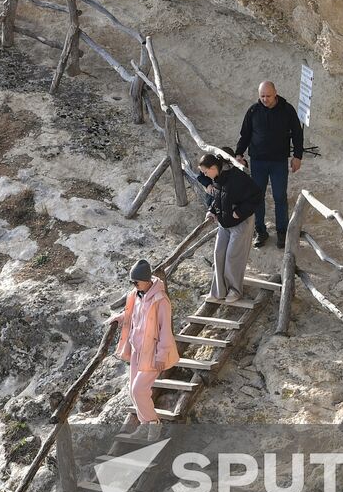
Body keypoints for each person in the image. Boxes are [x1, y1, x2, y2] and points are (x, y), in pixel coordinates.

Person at [105, 258, 179, 440]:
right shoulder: (135, 295)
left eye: (136, 281)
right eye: (132, 282)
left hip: (153, 353)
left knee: (139, 389)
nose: (134, 284)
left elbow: (165, 330)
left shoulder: (161, 300)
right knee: (133, 390)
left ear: (146, 280)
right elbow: (132, 314)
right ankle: (145, 424)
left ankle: (153, 424)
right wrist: (120, 317)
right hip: (137, 350)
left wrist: (162, 355)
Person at [234, 80, 304, 249]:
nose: (265, 99)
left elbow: (297, 133)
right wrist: (238, 154)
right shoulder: (253, 111)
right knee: (257, 197)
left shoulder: (287, 110)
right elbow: (245, 135)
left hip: (279, 161)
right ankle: (260, 231)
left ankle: (282, 231)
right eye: (262, 96)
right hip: (258, 161)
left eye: (268, 96)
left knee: (280, 196)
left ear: (276, 93)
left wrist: (297, 156)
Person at [196, 153, 264, 305]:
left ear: (214, 168)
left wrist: (239, 212)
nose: (205, 175)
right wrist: (212, 210)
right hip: (224, 222)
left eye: (206, 172)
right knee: (218, 254)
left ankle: (234, 290)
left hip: (241, 223)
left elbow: (257, 196)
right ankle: (219, 291)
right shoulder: (218, 178)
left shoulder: (237, 177)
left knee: (233, 257)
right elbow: (220, 196)